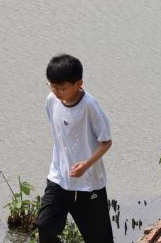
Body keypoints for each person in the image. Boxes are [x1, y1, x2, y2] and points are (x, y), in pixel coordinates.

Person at [38, 54, 114, 243]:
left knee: (100, 240)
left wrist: (86, 165)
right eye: (52, 86)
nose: (56, 92)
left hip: (88, 185)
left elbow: (106, 142)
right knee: (45, 226)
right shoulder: (51, 101)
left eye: (62, 88)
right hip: (58, 179)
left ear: (78, 84)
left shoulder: (89, 106)